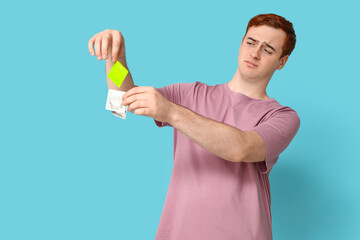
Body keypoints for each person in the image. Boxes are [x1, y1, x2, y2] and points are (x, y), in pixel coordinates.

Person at [88, 13, 300, 240]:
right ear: (240, 44)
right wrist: (116, 60)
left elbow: (242, 148)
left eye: (268, 50)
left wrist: (170, 111)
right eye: (250, 42)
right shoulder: (189, 94)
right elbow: (122, 99)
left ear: (282, 62)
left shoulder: (282, 117)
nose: (255, 53)